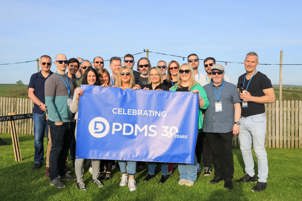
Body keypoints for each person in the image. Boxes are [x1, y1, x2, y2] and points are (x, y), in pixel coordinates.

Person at [236, 52, 275, 192]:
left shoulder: (262, 78)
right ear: (244, 61)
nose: (249, 63)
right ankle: (250, 174)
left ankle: (262, 180)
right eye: (247, 61)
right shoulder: (241, 78)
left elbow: (271, 98)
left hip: (257, 118)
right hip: (243, 118)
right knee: (244, 148)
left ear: (256, 63)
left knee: (259, 150)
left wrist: (251, 98)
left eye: (252, 61)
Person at [170, 63, 209, 187]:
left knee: (190, 151)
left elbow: (205, 105)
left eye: (187, 71)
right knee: (180, 151)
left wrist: (198, 98)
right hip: (178, 125)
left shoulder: (197, 87)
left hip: (192, 125)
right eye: (182, 71)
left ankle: (191, 176)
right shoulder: (173, 89)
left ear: (191, 72)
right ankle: (183, 176)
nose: (184, 73)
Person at [203, 64, 241, 190]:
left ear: (223, 74)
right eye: (214, 73)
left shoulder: (231, 88)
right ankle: (218, 175)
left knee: (226, 154)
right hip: (210, 127)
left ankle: (228, 178)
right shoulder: (205, 88)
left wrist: (236, 123)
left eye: (219, 73)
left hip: (226, 127)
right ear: (211, 74)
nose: (216, 75)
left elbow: (237, 106)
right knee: (215, 154)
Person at [70, 67, 103, 190]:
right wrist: (77, 98)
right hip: (82, 125)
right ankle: (79, 180)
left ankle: (95, 177)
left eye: (93, 76)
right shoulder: (79, 89)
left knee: (96, 153)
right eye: (89, 76)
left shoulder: (100, 91)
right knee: (81, 153)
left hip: (97, 125)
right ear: (85, 77)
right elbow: (73, 110)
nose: (91, 78)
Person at [45, 54, 74, 189]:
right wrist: (56, 119)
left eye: (65, 61)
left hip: (69, 120)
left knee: (65, 148)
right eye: (60, 61)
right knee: (56, 149)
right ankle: (54, 176)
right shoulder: (52, 79)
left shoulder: (68, 79)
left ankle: (62, 172)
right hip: (58, 121)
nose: (63, 63)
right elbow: (49, 101)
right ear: (56, 63)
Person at [143, 67, 170, 183]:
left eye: (156, 74)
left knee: (162, 148)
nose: (154, 76)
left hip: (161, 122)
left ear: (160, 76)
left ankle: (164, 173)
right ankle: (151, 172)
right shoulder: (146, 88)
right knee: (151, 148)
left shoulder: (165, 88)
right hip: (148, 123)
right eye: (152, 74)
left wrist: (163, 94)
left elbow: (170, 103)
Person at [115, 66, 139, 191]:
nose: (125, 76)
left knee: (131, 152)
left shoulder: (136, 89)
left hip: (133, 124)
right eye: (122, 74)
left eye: (127, 74)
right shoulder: (114, 90)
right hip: (118, 124)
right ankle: (123, 174)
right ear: (119, 76)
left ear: (131, 76)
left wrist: (140, 92)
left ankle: (131, 177)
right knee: (120, 151)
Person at [28, 55, 53, 169]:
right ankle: (38, 160)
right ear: (39, 63)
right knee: (38, 138)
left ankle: (51, 160)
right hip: (38, 111)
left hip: (52, 112)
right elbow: (30, 93)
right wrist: (41, 104)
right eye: (44, 63)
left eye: (48, 63)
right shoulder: (34, 77)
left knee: (51, 139)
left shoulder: (54, 77)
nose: (46, 65)